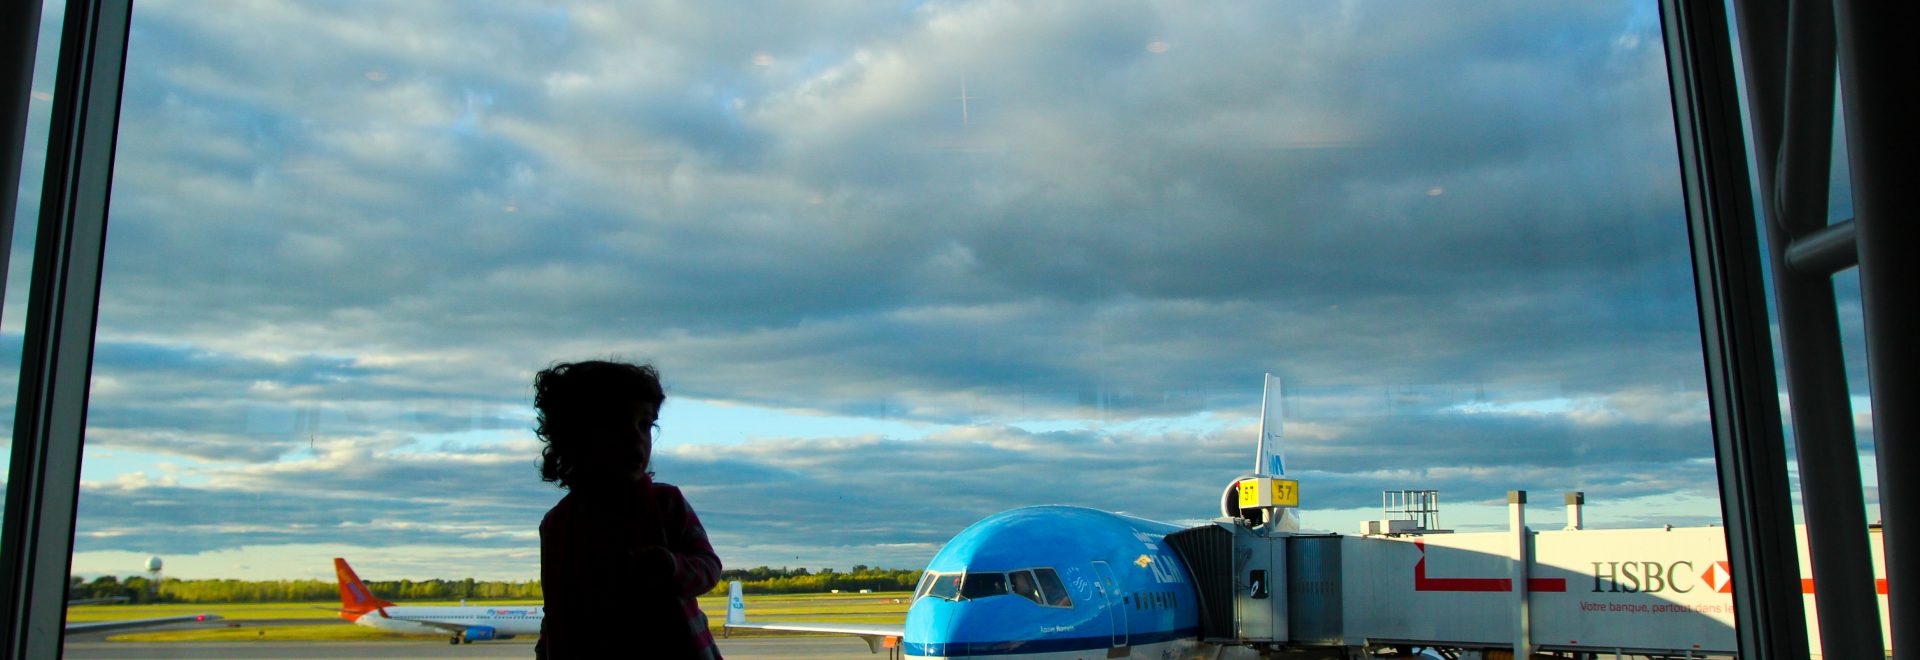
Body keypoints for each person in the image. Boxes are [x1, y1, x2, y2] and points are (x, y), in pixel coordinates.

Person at [532, 360, 722, 659]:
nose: (636, 437)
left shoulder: (666, 503)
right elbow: (556, 611)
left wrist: (672, 567)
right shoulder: (557, 525)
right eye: (615, 424)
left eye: (645, 424)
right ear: (574, 437)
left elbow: (709, 568)